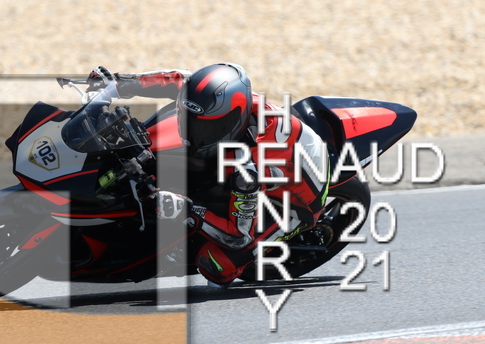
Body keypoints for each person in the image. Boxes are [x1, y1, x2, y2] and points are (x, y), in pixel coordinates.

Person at [87, 64, 329, 287]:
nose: (194, 133)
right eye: (189, 121)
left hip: (296, 202)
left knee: (217, 265)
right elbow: (178, 80)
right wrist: (118, 84)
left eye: (207, 128)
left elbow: (238, 237)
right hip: (282, 154)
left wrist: (188, 210)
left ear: (232, 122)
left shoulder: (250, 170)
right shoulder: (225, 103)